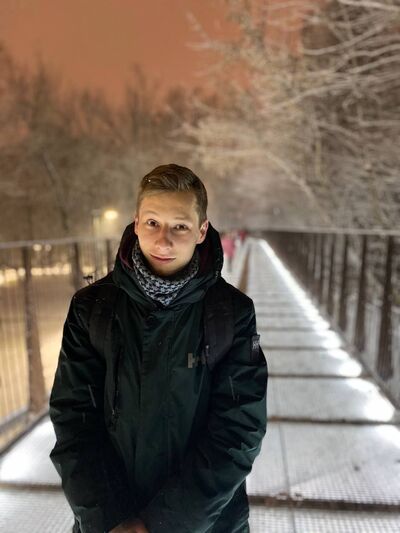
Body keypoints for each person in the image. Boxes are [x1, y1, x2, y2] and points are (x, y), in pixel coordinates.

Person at [49, 164, 268, 533]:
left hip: (202, 523)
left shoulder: (231, 312)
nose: (163, 241)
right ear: (136, 224)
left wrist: (166, 524)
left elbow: (240, 428)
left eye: (179, 226)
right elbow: (73, 419)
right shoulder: (92, 308)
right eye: (153, 223)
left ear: (201, 231)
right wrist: (110, 518)